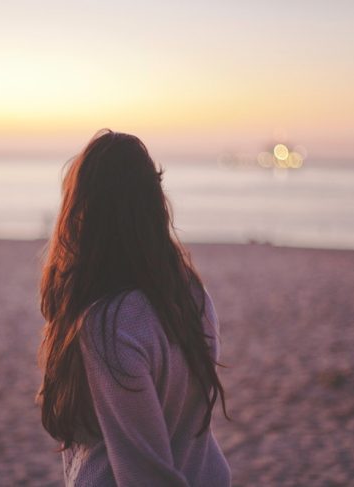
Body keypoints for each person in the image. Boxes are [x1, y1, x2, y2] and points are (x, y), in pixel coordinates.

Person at [37, 130, 231, 486]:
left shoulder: (108, 327)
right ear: (154, 204)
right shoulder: (191, 293)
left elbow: (144, 473)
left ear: (82, 212)